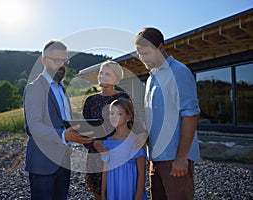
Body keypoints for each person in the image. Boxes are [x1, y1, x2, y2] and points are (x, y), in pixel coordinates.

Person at [134, 27, 201, 200]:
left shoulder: (179, 72)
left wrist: (181, 157)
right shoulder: (150, 78)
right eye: (140, 54)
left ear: (161, 48)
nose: (143, 58)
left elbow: (190, 115)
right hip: (155, 158)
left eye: (146, 53)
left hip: (174, 159)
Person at [23, 40, 95, 200]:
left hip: (63, 161)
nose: (62, 65)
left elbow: (64, 121)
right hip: (43, 165)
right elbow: (33, 127)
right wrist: (64, 136)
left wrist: (85, 131)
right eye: (57, 61)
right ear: (44, 61)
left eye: (64, 61)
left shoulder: (62, 89)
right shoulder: (35, 88)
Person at [82, 60, 146, 200]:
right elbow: (84, 131)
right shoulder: (90, 101)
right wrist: (93, 143)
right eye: (101, 73)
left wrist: (143, 135)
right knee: (102, 195)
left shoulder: (123, 98)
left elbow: (138, 125)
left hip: (122, 156)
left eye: (107, 74)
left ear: (116, 79)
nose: (102, 76)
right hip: (98, 157)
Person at [101, 98, 147, 200]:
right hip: (113, 189)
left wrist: (138, 196)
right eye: (112, 113)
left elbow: (141, 173)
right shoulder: (107, 143)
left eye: (119, 114)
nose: (114, 117)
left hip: (130, 190)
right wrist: (103, 194)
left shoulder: (136, 141)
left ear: (128, 117)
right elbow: (105, 172)